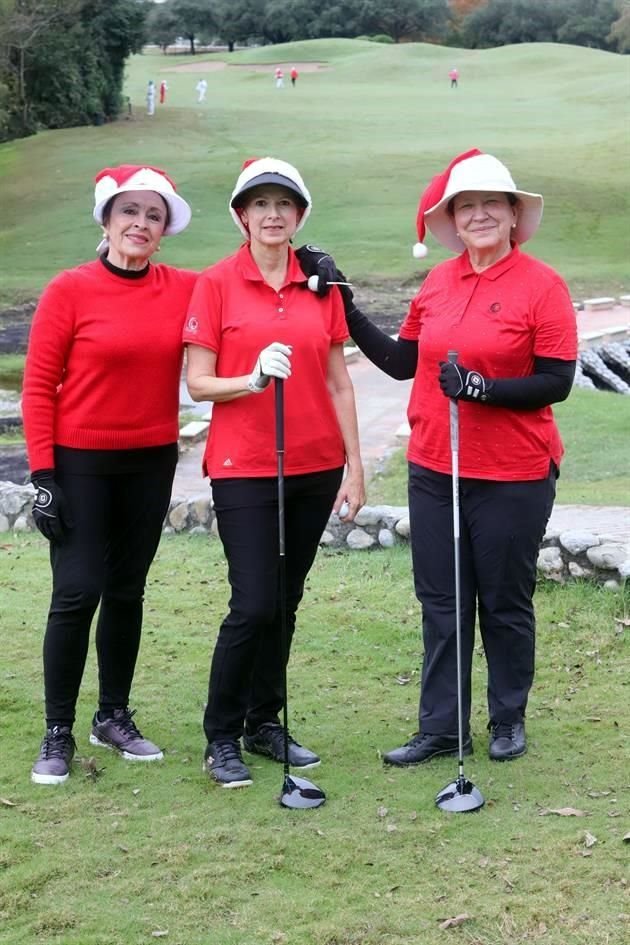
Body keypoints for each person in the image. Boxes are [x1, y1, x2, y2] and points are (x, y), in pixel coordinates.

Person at [302, 149, 577, 765]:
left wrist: (483, 389)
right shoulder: (439, 280)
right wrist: (344, 298)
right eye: (466, 207)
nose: (478, 215)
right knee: (442, 600)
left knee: (504, 600)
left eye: (491, 205)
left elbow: (557, 380)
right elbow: (404, 361)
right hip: (435, 465)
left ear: (512, 215)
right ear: (453, 219)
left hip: (512, 471)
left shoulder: (543, 285)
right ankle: (441, 727)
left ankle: (507, 718)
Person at [183, 157, 365, 788]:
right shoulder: (215, 284)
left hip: (316, 464)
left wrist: (356, 467)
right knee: (254, 602)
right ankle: (221, 734)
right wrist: (252, 378)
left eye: (283, 204)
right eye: (259, 204)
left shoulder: (319, 287)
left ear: (299, 216)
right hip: (245, 466)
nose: (272, 214)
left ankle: (264, 720)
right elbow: (198, 382)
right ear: (241, 215)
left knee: (284, 602)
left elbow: (340, 381)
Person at [23, 165, 197, 784]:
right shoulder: (69, 289)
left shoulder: (183, 288)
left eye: (153, 216)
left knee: (127, 590)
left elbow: (245, 290)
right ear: (106, 220)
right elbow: (38, 389)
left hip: (149, 461)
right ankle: (57, 731)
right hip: (80, 463)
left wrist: (294, 257)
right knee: (76, 593)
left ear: (164, 230)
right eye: (129, 212)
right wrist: (44, 475)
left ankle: (113, 716)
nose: (140, 224)